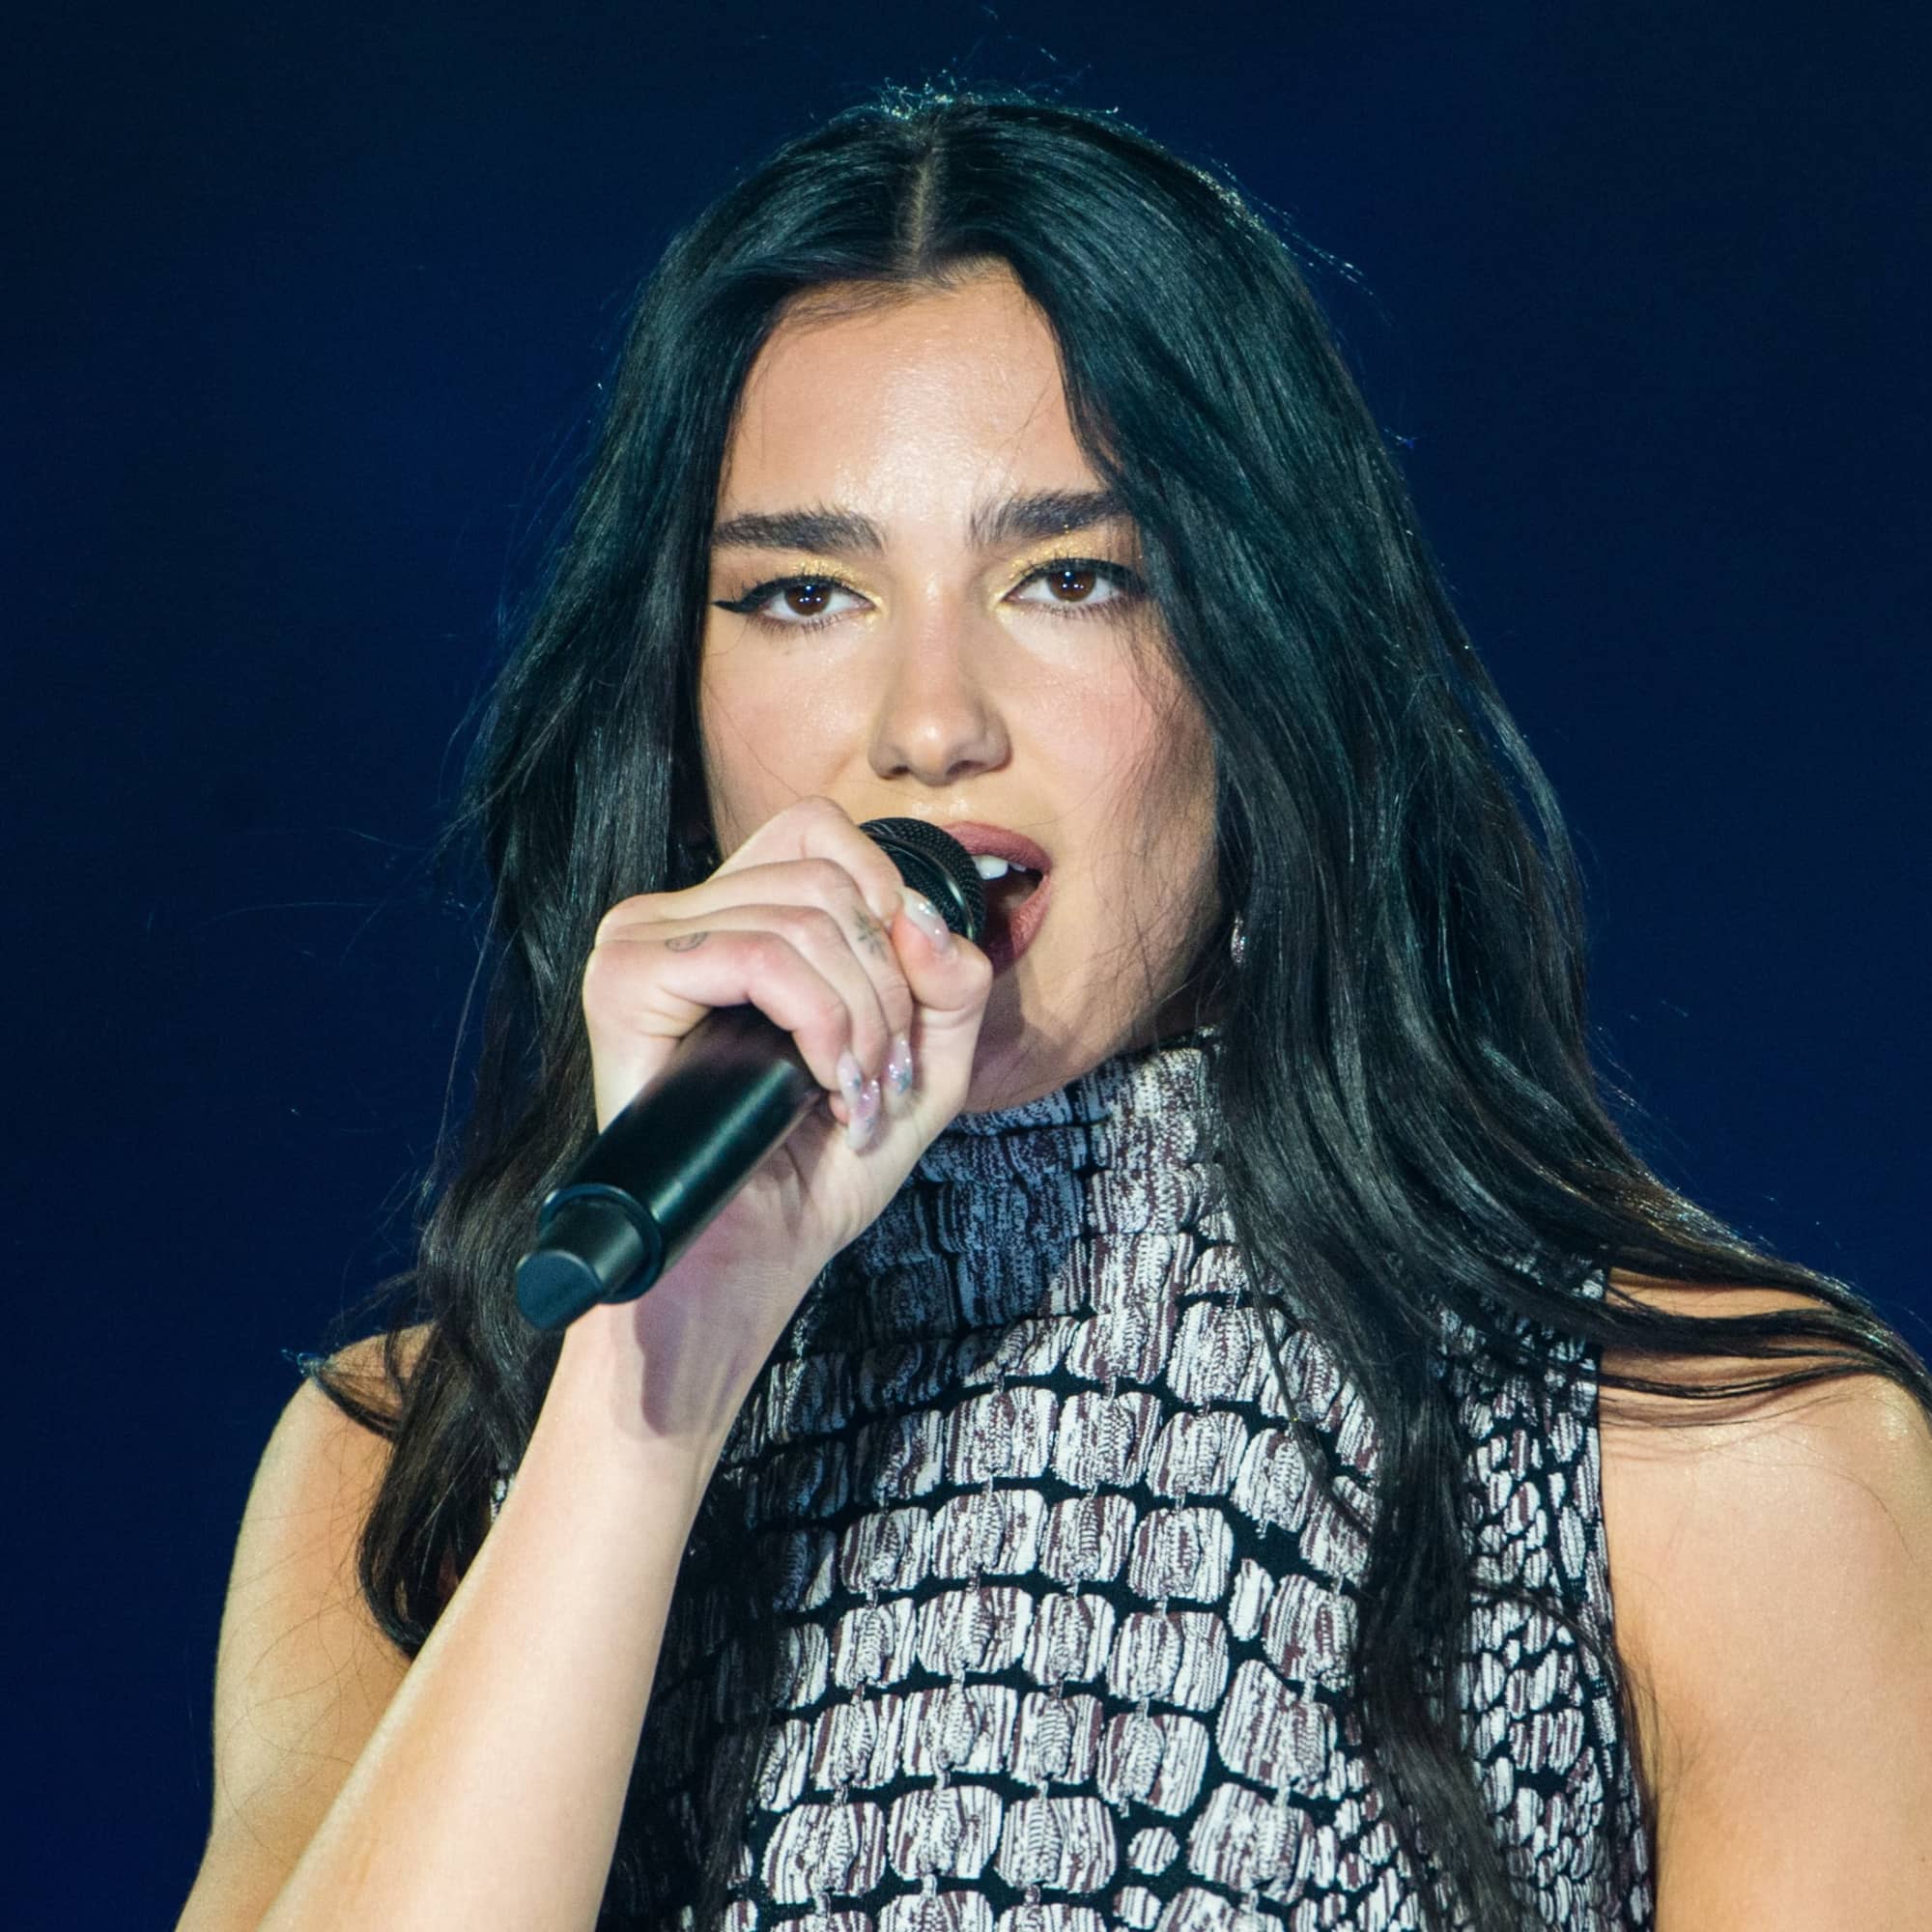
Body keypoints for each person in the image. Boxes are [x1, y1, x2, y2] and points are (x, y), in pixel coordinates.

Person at [176, 84, 1932, 1932]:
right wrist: (646, 1381)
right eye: (803, 593)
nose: (930, 724)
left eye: (1071, 577)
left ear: (1264, 660)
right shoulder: (409, 1457)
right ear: (676, 694)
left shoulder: (1708, 1445)